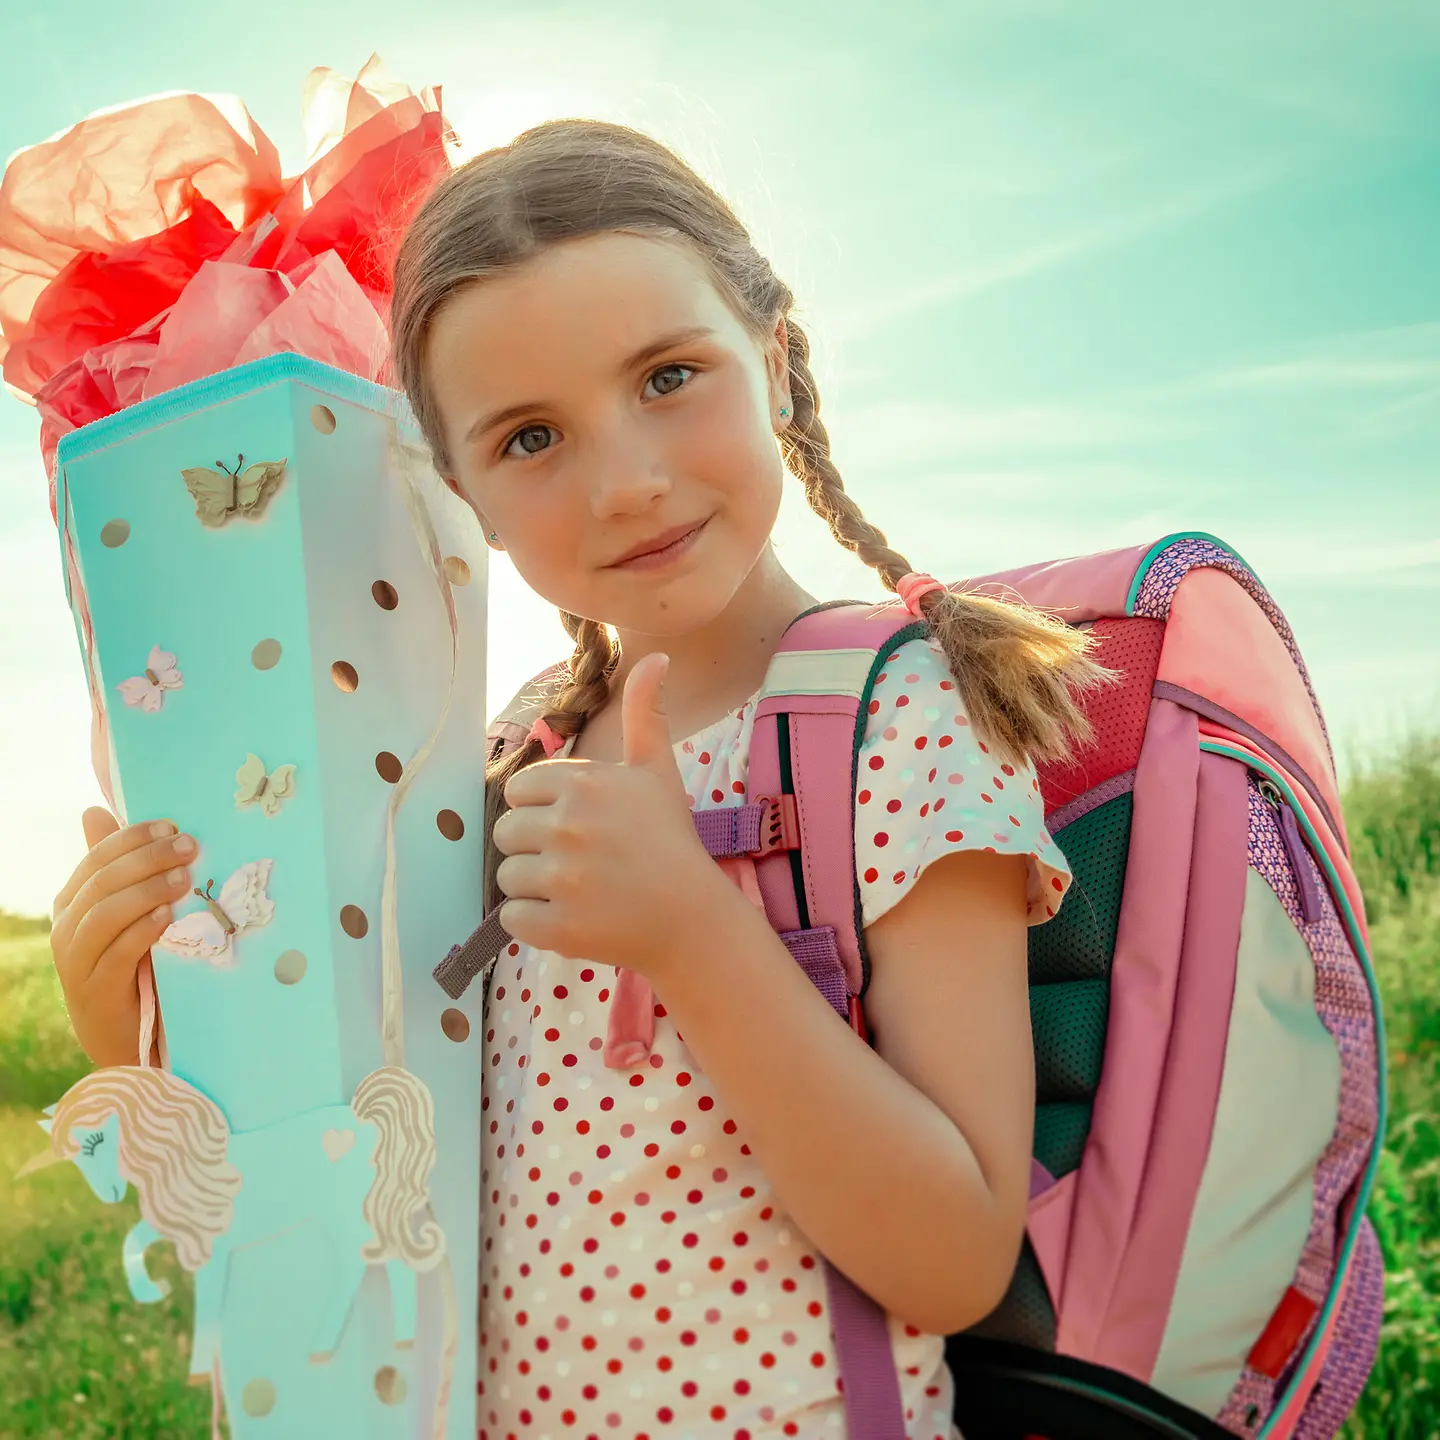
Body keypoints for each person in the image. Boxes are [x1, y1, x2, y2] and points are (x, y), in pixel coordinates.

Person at [49, 119, 1110, 1437]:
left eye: (669, 376)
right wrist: (140, 1026)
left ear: (772, 359)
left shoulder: (892, 718)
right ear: (461, 497)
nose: (625, 481)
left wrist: (691, 935)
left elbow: (953, 1259)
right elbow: (368, 1153)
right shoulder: (492, 767)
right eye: (531, 439)